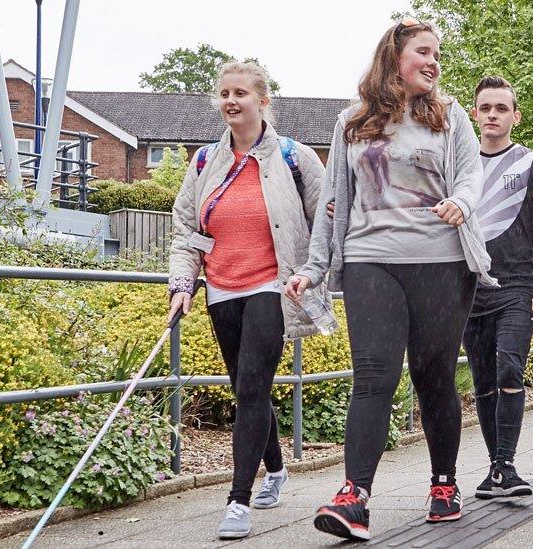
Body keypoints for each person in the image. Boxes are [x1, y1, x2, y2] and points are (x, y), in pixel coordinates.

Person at [287, 18, 496, 541]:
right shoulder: (351, 122)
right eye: (423, 51)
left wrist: (461, 203)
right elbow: (333, 204)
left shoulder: (451, 118)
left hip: (441, 263)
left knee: (433, 377)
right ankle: (353, 496)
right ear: (394, 58)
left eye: (437, 54)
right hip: (369, 259)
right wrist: (315, 268)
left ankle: (444, 483)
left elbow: (472, 176)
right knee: (374, 375)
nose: (433, 62)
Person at [167, 61, 330, 540]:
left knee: (254, 386)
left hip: (271, 286)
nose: (231, 101)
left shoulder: (294, 156)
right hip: (221, 287)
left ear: (263, 100)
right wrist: (182, 285)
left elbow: (325, 219)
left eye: (241, 93)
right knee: (245, 387)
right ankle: (277, 470)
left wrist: (309, 271)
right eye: (224, 94)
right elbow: (185, 230)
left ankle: (238, 501)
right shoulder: (204, 162)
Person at [461, 76, 533, 500]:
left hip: (515, 287)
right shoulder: (460, 166)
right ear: (474, 114)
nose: (493, 115)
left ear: (515, 116)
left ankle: (507, 464)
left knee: (508, 367)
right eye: (486, 108)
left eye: (501, 108)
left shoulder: (531, 162)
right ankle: (494, 469)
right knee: (482, 380)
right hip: (467, 289)